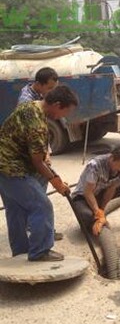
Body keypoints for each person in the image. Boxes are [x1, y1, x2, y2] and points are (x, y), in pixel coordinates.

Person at [0, 85, 78, 262]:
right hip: (12, 169)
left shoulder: (30, 106)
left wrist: (52, 175)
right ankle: (40, 251)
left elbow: (38, 157)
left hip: (3, 166)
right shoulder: (37, 124)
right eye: (65, 112)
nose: (64, 117)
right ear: (57, 104)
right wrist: (56, 182)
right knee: (42, 206)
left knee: (16, 211)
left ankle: (20, 252)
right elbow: (37, 162)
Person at [17, 67, 63, 241]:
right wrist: (44, 160)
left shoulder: (40, 97)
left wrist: (47, 153)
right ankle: (40, 235)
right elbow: (32, 136)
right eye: (50, 88)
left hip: (35, 151)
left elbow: (43, 130)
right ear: (39, 84)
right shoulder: (26, 104)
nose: (52, 93)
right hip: (23, 156)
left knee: (39, 189)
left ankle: (38, 227)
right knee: (39, 199)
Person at [71, 141, 120, 236]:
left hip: (100, 193)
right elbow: (88, 193)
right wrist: (97, 212)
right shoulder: (95, 165)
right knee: (87, 217)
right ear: (112, 158)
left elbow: (111, 189)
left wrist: (102, 210)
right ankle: (91, 224)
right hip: (83, 198)